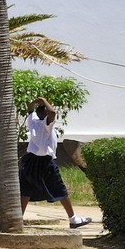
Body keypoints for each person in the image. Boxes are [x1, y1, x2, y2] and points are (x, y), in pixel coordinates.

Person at [21, 97, 94, 228]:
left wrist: (35, 102)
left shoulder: (33, 121)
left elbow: (30, 109)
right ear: (44, 113)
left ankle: (18, 218)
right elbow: (53, 113)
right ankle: (73, 219)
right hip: (45, 162)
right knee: (60, 188)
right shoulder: (46, 124)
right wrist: (43, 100)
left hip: (31, 160)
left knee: (26, 189)